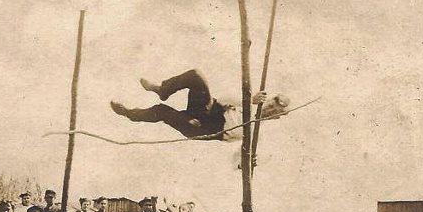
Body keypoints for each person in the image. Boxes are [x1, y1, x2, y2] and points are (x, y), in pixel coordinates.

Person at [110, 69, 290, 139]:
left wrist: (249, 162)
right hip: (210, 110)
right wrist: (249, 100)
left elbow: (239, 156)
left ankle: (129, 113)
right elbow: (224, 98)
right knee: (196, 76)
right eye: (271, 104)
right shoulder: (252, 104)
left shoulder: (258, 131)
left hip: (207, 128)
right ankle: (163, 90)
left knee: (161, 111)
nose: (269, 109)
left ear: (277, 117)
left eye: (274, 111)